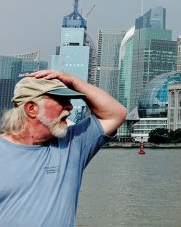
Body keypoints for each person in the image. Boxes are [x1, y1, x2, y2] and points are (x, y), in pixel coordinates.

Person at [0, 70, 127, 226]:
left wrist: (75, 81)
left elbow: (116, 114)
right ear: (32, 108)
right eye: (62, 100)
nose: (70, 107)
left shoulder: (73, 144)